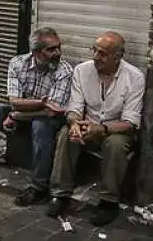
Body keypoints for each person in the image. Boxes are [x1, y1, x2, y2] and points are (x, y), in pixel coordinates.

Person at [0, 27, 74, 205]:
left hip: (44, 118)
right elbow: (14, 101)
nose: (57, 53)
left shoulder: (64, 71)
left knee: (40, 126)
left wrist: (15, 115)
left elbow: (53, 111)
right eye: (50, 49)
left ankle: (38, 186)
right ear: (36, 52)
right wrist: (39, 103)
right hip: (25, 111)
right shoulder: (18, 63)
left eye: (58, 47)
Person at [47, 31, 145, 226]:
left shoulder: (135, 77)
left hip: (116, 130)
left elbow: (131, 121)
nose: (95, 57)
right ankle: (60, 194)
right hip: (87, 124)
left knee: (116, 145)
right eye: (94, 50)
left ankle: (109, 202)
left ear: (118, 57)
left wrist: (103, 129)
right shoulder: (82, 71)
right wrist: (75, 123)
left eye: (103, 54)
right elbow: (74, 108)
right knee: (66, 134)